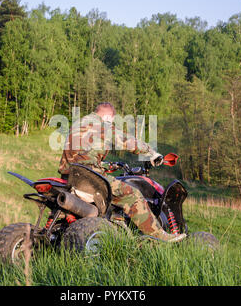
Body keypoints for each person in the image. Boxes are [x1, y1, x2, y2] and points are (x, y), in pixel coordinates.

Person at [58, 102, 186, 242]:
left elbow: (82, 157)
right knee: (133, 195)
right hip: (89, 179)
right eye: (112, 121)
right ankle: (159, 236)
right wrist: (151, 153)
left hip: (69, 177)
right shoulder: (102, 125)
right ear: (108, 117)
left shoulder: (78, 124)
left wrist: (109, 165)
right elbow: (128, 141)